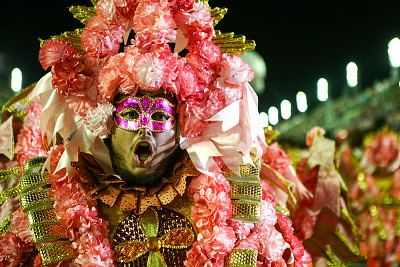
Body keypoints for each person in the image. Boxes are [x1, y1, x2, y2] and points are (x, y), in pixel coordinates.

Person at [0, 0, 313, 266]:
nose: (145, 127)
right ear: (106, 126)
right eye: (131, 114)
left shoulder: (234, 203)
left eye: (161, 116)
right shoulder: (51, 202)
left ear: (181, 129)